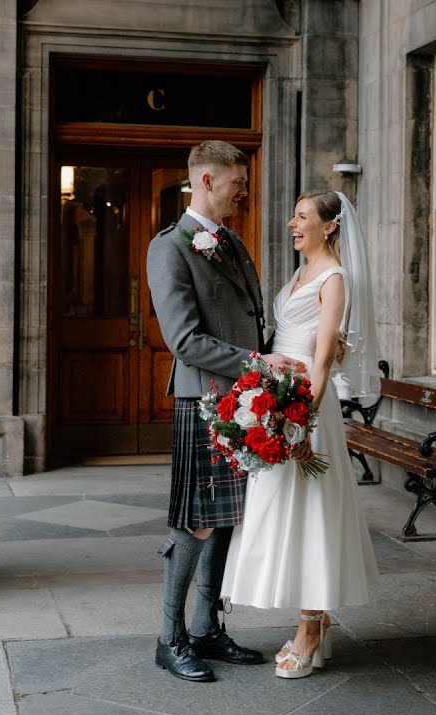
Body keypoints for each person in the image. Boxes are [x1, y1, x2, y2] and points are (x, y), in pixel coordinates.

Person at [146, 140, 304, 682]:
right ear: (207, 181)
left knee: (224, 520)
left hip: (243, 400)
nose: (245, 192)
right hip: (204, 399)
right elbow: (184, 340)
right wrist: (257, 363)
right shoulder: (170, 247)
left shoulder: (232, 242)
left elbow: (252, 322)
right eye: (238, 182)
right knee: (194, 521)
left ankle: (206, 629)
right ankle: (170, 638)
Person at [220, 189, 381, 679]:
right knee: (279, 510)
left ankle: (311, 627)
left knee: (312, 513)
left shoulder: (334, 279)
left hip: (308, 404)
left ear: (329, 226)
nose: (292, 223)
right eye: (293, 215)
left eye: (302, 216)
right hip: (277, 399)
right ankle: (316, 617)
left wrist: (302, 423)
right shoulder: (299, 274)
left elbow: (324, 358)